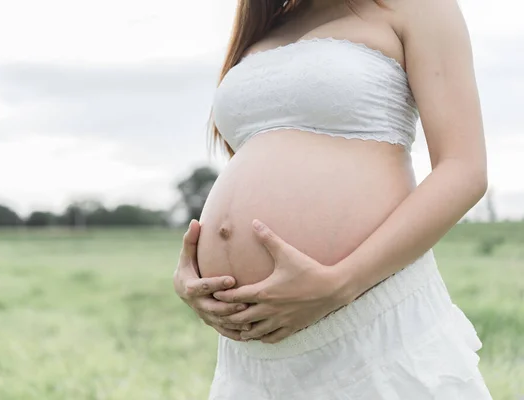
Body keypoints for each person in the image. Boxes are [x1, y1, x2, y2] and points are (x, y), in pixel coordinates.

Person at [173, 0, 494, 398]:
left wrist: (340, 283)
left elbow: (464, 170)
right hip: (253, 361)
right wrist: (193, 278)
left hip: (368, 321)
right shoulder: (266, 26)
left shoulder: (417, 7)